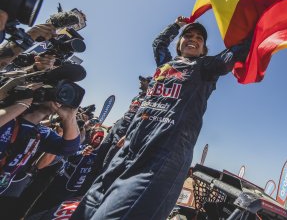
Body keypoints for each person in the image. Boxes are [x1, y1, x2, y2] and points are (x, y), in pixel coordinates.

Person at [71, 16, 250, 220]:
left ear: (204, 50)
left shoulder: (206, 68)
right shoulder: (166, 64)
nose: (193, 39)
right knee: (85, 212)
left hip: (161, 158)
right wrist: (176, 25)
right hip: (128, 151)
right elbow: (159, 43)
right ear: (179, 43)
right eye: (188, 35)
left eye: (199, 38)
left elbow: (239, 50)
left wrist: (262, 19)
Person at [76, 75, 151, 196]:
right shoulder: (137, 96)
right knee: (97, 160)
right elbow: (128, 114)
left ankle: (92, 196)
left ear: (151, 84)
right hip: (116, 129)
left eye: (144, 81)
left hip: (124, 133)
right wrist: (114, 125)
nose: (141, 82)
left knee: (106, 166)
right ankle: (80, 194)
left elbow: (143, 120)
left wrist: (129, 135)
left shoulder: (150, 99)